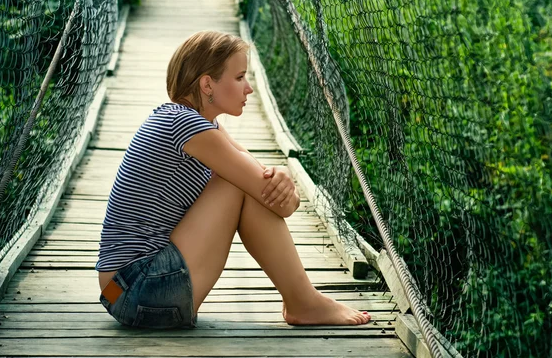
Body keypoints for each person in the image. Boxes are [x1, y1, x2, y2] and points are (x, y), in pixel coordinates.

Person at [95, 30, 371, 329]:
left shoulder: (200, 125)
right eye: (240, 77)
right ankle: (303, 301)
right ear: (207, 84)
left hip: (118, 292)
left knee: (241, 179)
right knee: (236, 183)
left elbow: (264, 181)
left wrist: (281, 176)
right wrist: (278, 181)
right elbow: (269, 195)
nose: (249, 89)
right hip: (137, 289)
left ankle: (303, 301)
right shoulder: (184, 123)